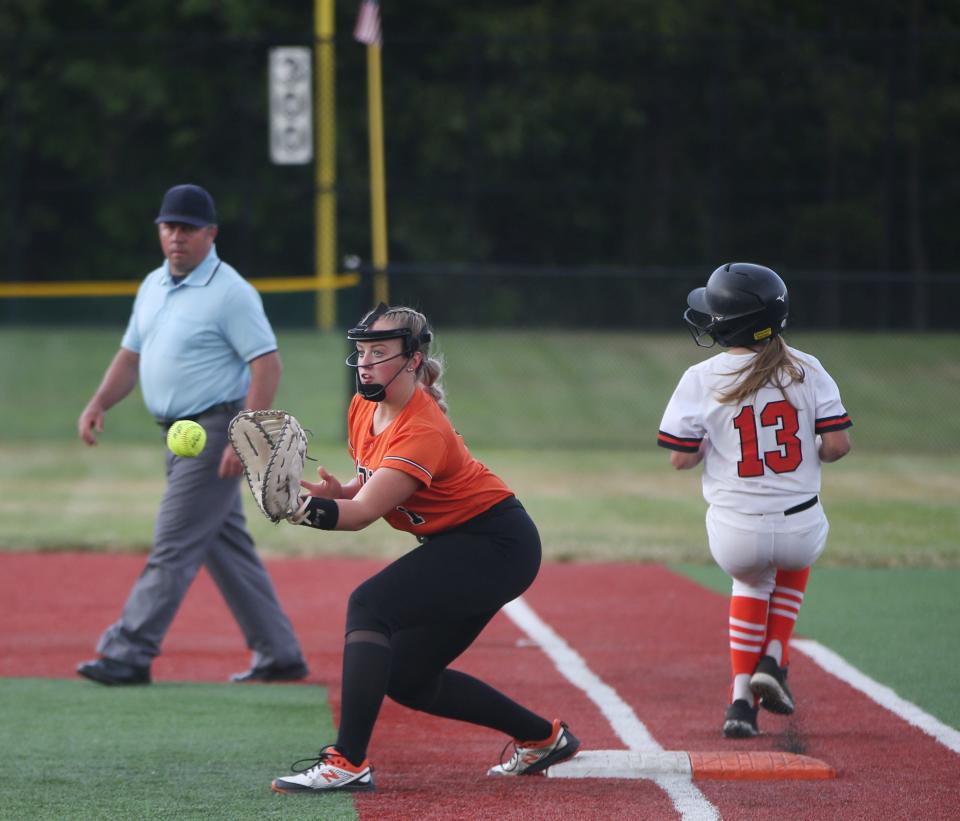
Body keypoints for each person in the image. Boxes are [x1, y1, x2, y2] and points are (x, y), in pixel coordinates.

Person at [269, 303, 579, 794]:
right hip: (466, 542)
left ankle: (348, 760)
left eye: (379, 351)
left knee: (369, 605)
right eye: (361, 351)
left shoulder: (423, 428)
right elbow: (371, 487)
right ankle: (543, 738)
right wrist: (341, 492)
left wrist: (299, 508)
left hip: (495, 544)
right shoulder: (363, 407)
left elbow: (363, 517)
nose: (365, 362)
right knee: (409, 678)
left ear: (413, 360)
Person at [75, 184, 308, 686]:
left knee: (173, 543)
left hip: (215, 430)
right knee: (227, 549)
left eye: (187, 228)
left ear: (210, 234)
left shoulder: (231, 292)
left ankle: (128, 651)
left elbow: (267, 365)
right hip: (179, 433)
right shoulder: (152, 285)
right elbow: (131, 356)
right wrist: (99, 402)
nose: (176, 236)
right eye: (168, 226)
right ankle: (280, 653)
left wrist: (243, 438)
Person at [657, 262, 852, 738]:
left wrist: (715, 443)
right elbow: (837, 445)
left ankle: (741, 702)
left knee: (750, 584)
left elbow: (681, 460)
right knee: (790, 559)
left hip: (736, 529)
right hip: (801, 526)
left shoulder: (701, 377)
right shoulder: (808, 367)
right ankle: (774, 655)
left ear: (726, 325)